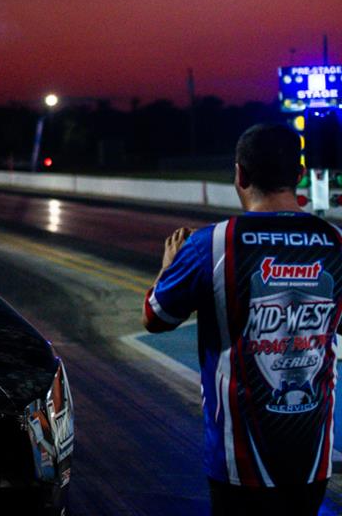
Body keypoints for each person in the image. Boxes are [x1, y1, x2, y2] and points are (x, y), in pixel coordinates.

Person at [143, 123, 342, 516]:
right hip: (312, 460)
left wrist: (168, 268)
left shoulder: (211, 244)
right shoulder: (335, 242)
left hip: (237, 465)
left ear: (240, 175)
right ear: (299, 176)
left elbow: (156, 317)